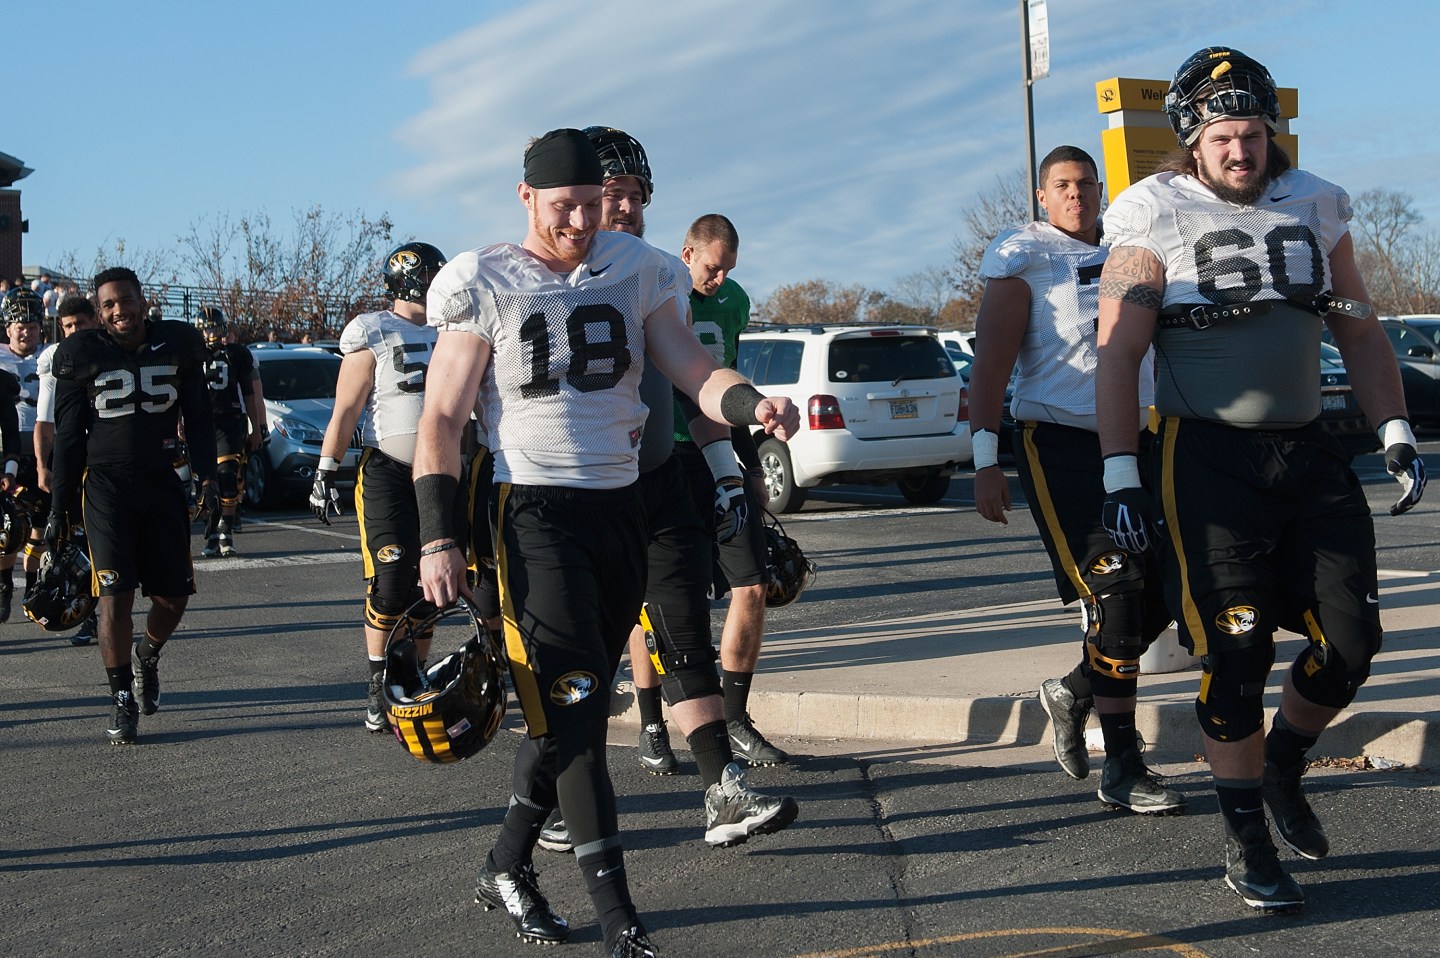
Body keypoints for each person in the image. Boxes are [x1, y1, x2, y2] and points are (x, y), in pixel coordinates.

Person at [413, 128, 799, 958]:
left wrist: (750, 407)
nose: (581, 223)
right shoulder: (484, 280)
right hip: (532, 515)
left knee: (567, 714)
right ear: (525, 198)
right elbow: (441, 420)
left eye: (591, 206)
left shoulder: (639, 268)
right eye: (564, 208)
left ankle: (506, 862)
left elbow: (693, 367)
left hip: (623, 507)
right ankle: (622, 922)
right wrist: (438, 535)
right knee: (581, 708)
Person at [1094, 47, 1425, 913]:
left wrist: (1393, 424)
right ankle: (1244, 837)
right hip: (1206, 459)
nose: (1241, 151)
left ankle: (1282, 766)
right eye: (1224, 137)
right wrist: (1121, 471)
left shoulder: (1316, 201)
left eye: (1252, 133)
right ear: (1193, 142)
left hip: (1310, 449)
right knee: (1237, 651)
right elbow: (1121, 348)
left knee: (1352, 643)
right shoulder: (1151, 211)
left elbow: (1357, 321)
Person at [531, 130, 795, 853]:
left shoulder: (655, 273)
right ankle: (555, 796)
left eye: (633, 195)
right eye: (609, 193)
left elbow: (694, 380)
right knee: (579, 653)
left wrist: (731, 468)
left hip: (657, 479)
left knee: (684, 631)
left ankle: (721, 788)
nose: (620, 208)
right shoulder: (525, 271)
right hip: (566, 496)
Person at [969, 145, 1184, 815]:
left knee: (1173, 587)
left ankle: (1071, 689)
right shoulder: (1022, 256)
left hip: (1139, 437)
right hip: (1057, 442)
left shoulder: (1129, 241)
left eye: (1086, 184)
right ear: (1041, 196)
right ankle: (1122, 762)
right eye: (1062, 185)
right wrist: (984, 460)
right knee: (1117, 591)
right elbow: (991, 363)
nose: (1076, 195)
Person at [51, 267, 217, 745]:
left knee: (173, 597)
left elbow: (199, 416)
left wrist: (208, 473)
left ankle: (148, 653)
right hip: (106, 487)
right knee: (114, 594)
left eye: (125, 300)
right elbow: (67, 438)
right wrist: (59, 508)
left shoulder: (179, 342)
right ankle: (122, 698)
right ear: (99, 314)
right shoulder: (80, 353)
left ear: (143, 301)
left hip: (161, 482)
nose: (119, 310)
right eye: (108, 305)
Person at [310, 241, 454, 733]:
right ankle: (379, 682)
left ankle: (409, 673)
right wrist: (327, 467)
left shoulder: (450, 329)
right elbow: (347, 409)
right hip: (388, 471)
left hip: (444, 471)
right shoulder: (371, 330)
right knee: (392, 580)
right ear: (412, 279)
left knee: (433, 585)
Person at [670, 214, 788, 767]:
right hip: (665, 452)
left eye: (727, 269)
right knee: (673, 597)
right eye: (712, 267)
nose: (718, 279)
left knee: (752, 581)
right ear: (687, 252)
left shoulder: (734, 299)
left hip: (720, 442)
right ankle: (652, 719)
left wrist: (749, 467)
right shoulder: (659, 289)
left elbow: (728, 380)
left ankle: (736, 717)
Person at [34, 294, 102, 644]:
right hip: (73, 455)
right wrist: (42, 467)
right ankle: (92, 611)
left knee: (101, 540)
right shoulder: (55, 358)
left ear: (95, 321)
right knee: (76, 539)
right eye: (69, 326)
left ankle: (103, 612)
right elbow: (45, 421)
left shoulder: (109, 349)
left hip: (108, 458)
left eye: (81, 324)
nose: (75, 331)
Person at [196, 306, 264, 557]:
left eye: (215, 327)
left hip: (229, 422)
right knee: (203, 483)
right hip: (201, 424)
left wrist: (255, 428)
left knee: (227, 477)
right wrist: (179, 421)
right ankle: (211, 531)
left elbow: (249, 394)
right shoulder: (193, 355)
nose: (212, 333)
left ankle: (226, 530)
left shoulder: (236, 354)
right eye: (208, 328)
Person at [0, 287, 48, 623]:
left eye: (31, 327)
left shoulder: (51, 355)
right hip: (7, 449)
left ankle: (32, 586)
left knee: (39, 527)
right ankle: (5, 585)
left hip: (44, 449)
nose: (26, 332)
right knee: (6, 527)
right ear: (8, 329)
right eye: (20, 326)